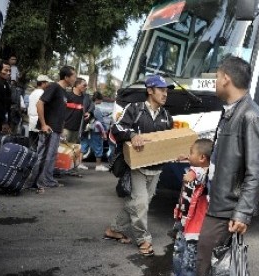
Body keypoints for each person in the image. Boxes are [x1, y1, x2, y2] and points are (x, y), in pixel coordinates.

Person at [196, 56, 259, 276]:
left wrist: (242, 213)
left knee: (207, 262)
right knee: (214, 263)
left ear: (226, 79)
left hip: (228, 208)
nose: (215, 82)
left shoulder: (252, 116)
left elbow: (257, 171)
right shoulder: (230, 111)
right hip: (219, 202)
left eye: (217, 77)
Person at [103, 74, 174, 256]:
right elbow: (116, 128)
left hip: (156, 168)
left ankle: (114, 229)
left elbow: (168, 142)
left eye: (166, 90)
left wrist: (176, 153)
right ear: (150, 91)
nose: (165, 94)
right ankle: (143, 240)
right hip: (136, 167)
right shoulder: (134, 109)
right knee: (141, 203)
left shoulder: (167, 116)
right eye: (161, 90)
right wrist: (133, 135)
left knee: (138, 203)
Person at [31, 65, 77, 194]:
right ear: (66, 77)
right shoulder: (54, 87)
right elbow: (39, 103)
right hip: (48, 129)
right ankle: (37, 182)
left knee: (51, 156)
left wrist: (60, 128)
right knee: (44, 156)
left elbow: (59, 111)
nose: (75, 78)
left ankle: (48, 180)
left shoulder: (64, 92)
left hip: (56, 129)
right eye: (73, 76)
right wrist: (44, 124)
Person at [173, 138, 212, 276]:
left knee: (189, 262)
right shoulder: (196, 167)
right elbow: (195, 167)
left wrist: (194, 173)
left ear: (202, 157)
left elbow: (203, 173)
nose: (189, 155)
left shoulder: (207, 173)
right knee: (179, 252)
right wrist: (185, 159)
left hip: (194, 229)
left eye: (191, 153)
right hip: (184, 223)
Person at [79, 91, 108, 171]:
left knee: (83, 146)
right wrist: (104, 132)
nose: (101, 101)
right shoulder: (96, 109)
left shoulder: (87, 107)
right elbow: (100, 122)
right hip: (95, 131)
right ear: (98, 99)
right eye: (101, 100)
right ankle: (98, 165)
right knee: (98, 147)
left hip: (85, 129)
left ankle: (79, 163)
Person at [28, 74, 52, 149]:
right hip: (39, 121)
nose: (48, 85)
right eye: (47, 83)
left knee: (32, 145)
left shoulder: (33, 93)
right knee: (40, 146)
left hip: (32, 121)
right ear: (43, 83)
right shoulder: (43, 93)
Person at [0, 59, 11, 132]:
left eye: (9, 71)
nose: (8, 73)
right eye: (6, 70)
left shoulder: (6, 84)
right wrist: (3, 121)